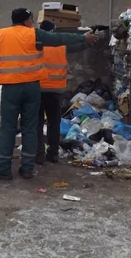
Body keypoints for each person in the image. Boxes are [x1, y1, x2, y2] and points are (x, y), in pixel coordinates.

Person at [0, 8, 99, 180]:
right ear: (26, 20)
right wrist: (83, 37)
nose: (32, 22)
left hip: (11, 88)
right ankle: (27, 168)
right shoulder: (34, 34)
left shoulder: (2, 34)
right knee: (29, 128)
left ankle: (4, 169)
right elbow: (59, 38)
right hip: (32, 87)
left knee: (8, 128)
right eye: (31, 19)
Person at [36, 20, 91, 164]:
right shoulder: (60, 44)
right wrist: (89, 41)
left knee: (37, 123)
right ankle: (53, 154)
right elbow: (78, 47)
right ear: (53, 31)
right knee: (54, 123)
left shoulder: (36, 45)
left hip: (38, 89)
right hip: (56, 90)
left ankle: (39, 154)